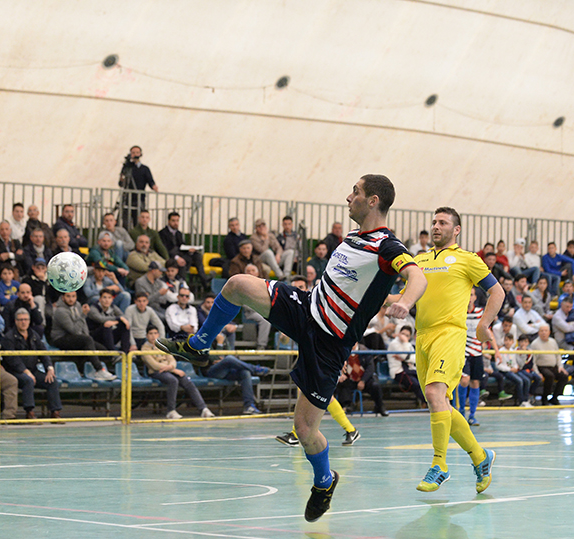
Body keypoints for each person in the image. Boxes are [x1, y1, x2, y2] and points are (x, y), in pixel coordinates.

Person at [159, 174, 425, 521]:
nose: (348, 197)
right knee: (237, 283)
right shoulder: (351, 238)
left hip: (329, 343)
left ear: (373, 200)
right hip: (306, 306)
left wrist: (404, 302)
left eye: (355, 192)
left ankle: (325, 481)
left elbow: (418, 276)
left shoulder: (388, 247)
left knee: (304, 430)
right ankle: (197, 345)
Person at [406, 206, 502, 494]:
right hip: (422, 337)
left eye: (443, 222)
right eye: (434, 222)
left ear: (456, 230)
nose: (436, 226)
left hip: (450, 333)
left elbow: (497, 292)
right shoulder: (418, 260)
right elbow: (405, 294)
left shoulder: (467, 259)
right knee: (441, 404)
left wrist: (485, 324)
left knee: (435, 393)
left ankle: (440, 464)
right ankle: (480, 456)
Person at [275, 276, 362, 444]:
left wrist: (342, 358)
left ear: (308, 285)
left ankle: (350, 430)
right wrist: (284, 333)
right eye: (295, 287)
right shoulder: (299, 308)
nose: (298, 288)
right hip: (311, 357)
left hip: (328, 357)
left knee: (317, 395)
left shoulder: (325, 302)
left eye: (301, 286)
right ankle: (349, 430)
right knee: (309, 394)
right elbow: (284, 341)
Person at [1, 308, 62, 419]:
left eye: (25, 319)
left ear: (29, 321)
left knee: (52, 381)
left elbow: (43, 352)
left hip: (33, 370)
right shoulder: (9, 337)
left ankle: (55, 412)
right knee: (28, 380)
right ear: (15, 321)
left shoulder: (34, 335)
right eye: (20, 320)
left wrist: (49, 368)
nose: (23, 322)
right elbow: (12, 360)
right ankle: (30, 412)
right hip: (15, 372)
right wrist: (26, 371)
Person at [141, 325, 212, 419]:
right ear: (146, 336)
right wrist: (173, 369)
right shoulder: (144, 348)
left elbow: (172, 360)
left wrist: (171, 367)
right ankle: (171, 411)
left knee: (186, 380)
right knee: (173, 380)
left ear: (158, 334)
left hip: (169, 370)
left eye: (155, 333)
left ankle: (203, 409)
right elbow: (154, 365)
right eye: (150, 334)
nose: (153, 336)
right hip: (156, 372)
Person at [50, 291, 117, 380]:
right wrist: (83, 315)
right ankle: (99, 370)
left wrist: (88, 337)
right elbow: (74, 331)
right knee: (86, 341)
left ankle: (87, 370)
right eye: (68, 296)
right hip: (60, 338)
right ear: (63, 298)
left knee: (104, 352)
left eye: (73, 296)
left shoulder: (77, 305)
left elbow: (83, 324)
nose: (71, 299)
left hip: (77, 337)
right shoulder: (60, 311)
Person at [455, 288, 488, 426]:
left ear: (475, 297)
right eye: (467, 294)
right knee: (464, 380)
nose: (469, 297)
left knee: (475, 382)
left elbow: (486, 330)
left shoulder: (480, 312)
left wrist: (495, 349)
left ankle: (472, 415)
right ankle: (461, 411)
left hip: (477, 352)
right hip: (463, 352)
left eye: (472, 295)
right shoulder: (458, 312)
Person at [159, 211, 208, 287]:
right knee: (183, 262)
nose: (176, 223)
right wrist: (177, 258)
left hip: (181, 255)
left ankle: (204, 279)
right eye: (173, 220)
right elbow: (165, 249)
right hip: (171, 257)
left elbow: (182, 246)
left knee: (197, 256)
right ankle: (183, 285)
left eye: (177, 221)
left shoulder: (179, 233)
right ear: (168, 221)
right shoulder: (162, 233)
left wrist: (190, 251)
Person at [118, 145, 158, 228]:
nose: (135, 154)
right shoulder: (127, 168)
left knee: (138, 219)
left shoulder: (144, 169)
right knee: (126, 220)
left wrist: (153, 186)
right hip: (127, 198)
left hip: (139, 198)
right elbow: (121, 183)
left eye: (137, 152)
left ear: (140, 154)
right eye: (133, 153)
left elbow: (150, 180)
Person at [529, 324, 568, 406]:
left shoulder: (553, 342)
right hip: (542, 367)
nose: (544, 333)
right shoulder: (534, 344)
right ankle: (545, 398)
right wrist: (537, 372)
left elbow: (558, 356)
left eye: (545, 331)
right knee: (550, 376)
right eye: (542, 331)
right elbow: (533, 361)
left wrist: (560, 367)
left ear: (549, 332)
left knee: (564, 376)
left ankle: (555, 397)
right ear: (539, 333)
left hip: (554, 366)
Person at [87, 288, 131, 353]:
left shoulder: (113, 307)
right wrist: (117, 319)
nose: (107, 300)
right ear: (100, 299)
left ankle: (125, 353)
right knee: (107, 325)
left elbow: (123, 317)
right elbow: (101, 319)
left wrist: (117, 321)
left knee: (124, 325)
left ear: (112, 299)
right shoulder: (93, 308)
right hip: (95, 337)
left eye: (109, 298)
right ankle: (113, 354)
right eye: (104, 297)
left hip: (108, 336)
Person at [496, 333, 531, 406]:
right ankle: (521, 401)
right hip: (505, 372)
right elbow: (498, 365)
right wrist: (509, 369)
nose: (508, 342)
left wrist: (515, 367)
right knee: (519, 381)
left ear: (512, 342)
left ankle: (526, 400)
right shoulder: (500, 351)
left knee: (527, 380)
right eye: (506, 340)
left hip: (513, 370)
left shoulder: (513, 351)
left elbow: (515, 362)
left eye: (509, 340)